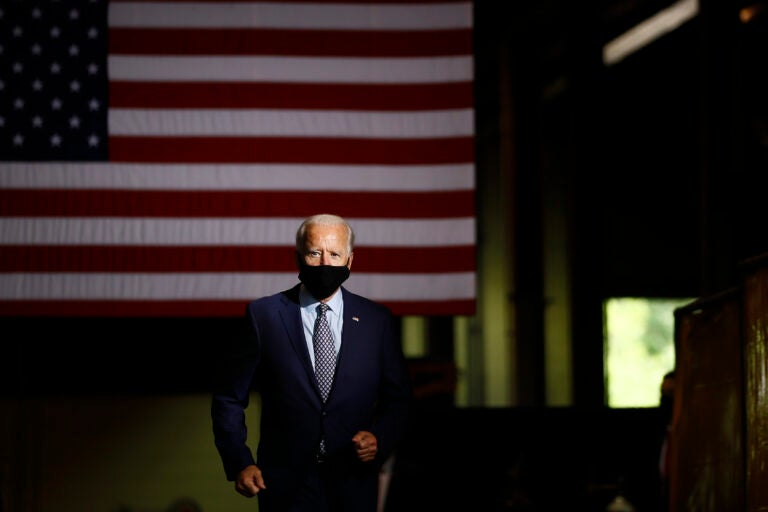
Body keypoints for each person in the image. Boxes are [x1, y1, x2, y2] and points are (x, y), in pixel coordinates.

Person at [211, 213, 413, 512]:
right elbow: (229, 397)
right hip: (285, 485)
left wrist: (379, 438)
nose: (324, 263)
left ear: (350, 260)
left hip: (354, 482)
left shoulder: (376, 321)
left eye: (334, 254)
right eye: (314, 253)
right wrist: (239, 462)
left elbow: (400, 400)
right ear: (298, 257)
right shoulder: (263, 316)